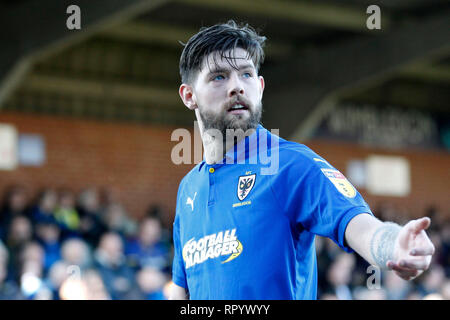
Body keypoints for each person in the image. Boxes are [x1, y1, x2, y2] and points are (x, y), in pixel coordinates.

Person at [169, 20, 435, 300]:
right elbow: (183, 292)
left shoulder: (291, 164)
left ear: (259, 87)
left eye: (246, 75)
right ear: (189, 96)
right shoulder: (189, 189)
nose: (237, 87)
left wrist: (395, 245)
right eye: (219, 77)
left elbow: (361, 226)